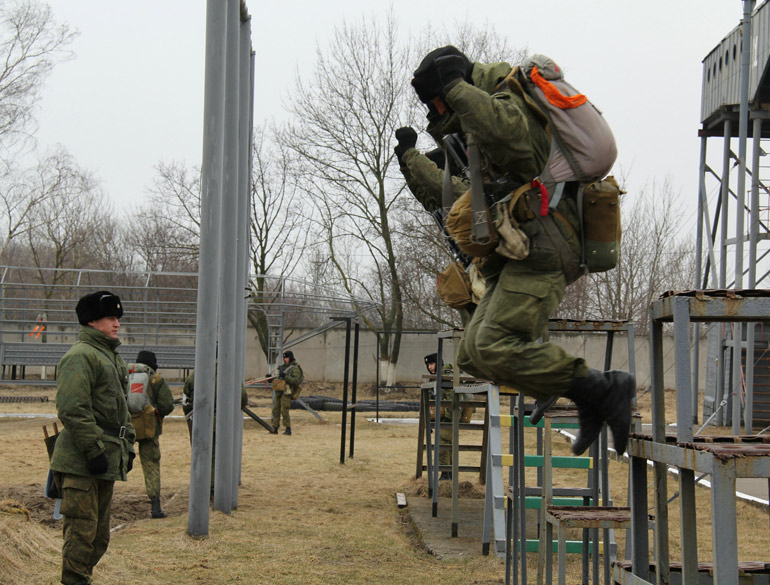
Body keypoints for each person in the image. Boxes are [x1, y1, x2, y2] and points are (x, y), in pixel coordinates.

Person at [409, 46, 635, 455]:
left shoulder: (507, 99)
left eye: (437, 101)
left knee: (494, 344)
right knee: (473, 353)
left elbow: (517, 144)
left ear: (453, 88)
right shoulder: (485, 113)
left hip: (549, 240)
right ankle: (567, 385)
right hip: (522, 246)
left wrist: (457, 90)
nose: (437, 112)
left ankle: (600, 389)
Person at [50, 290, 136, 585]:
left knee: (98, 537)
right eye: (111, 318)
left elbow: (120, 409)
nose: (117, 324)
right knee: (81, 534)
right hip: (82, 461)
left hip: (105, 458)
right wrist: (94, 449)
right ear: (91, 321)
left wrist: (128, 446)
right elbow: (72, 409)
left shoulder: (110, 357)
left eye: (117, 318)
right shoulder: (80, 356)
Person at [182, 369, 248, 492]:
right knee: (221, 455)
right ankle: (217, 485)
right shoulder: (230, 371)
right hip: (224, 421)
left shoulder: (196, 373)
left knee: (202, 455)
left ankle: (203, 485)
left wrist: (190, 418)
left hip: (201, 421)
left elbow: (186, 400)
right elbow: (242, 397)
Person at [130, 350, 174, 519]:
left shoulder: (125, 376)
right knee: (151, 465)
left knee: (116, 463)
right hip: (149, 429)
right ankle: (155, 507)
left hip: (125, 428)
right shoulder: (155, 380)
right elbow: (167, 405)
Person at [424, 353, 453, 481]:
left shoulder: (446, 376)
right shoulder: (436, 378)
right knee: (446, 445)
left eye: (431, 363)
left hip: (448, 416)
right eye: (428, 365)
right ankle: (449, 474)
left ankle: (446, 474)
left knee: (442, 444)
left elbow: (452, 396)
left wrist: (449, 416)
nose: (429, 367)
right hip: (442, 416)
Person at [270, 350, 303, 436]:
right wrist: (270, 379)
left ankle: (288, 429)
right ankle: (275, 428)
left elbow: (295, 381)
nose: (285, 360)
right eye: (284, 358)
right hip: (279, 391)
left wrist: (285, 377)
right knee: (275, 410)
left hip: (287, 392)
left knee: (284, 411)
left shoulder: (295, 368)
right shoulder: (282, 367)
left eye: (287, 358)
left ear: (291, 358)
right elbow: (278, 379)